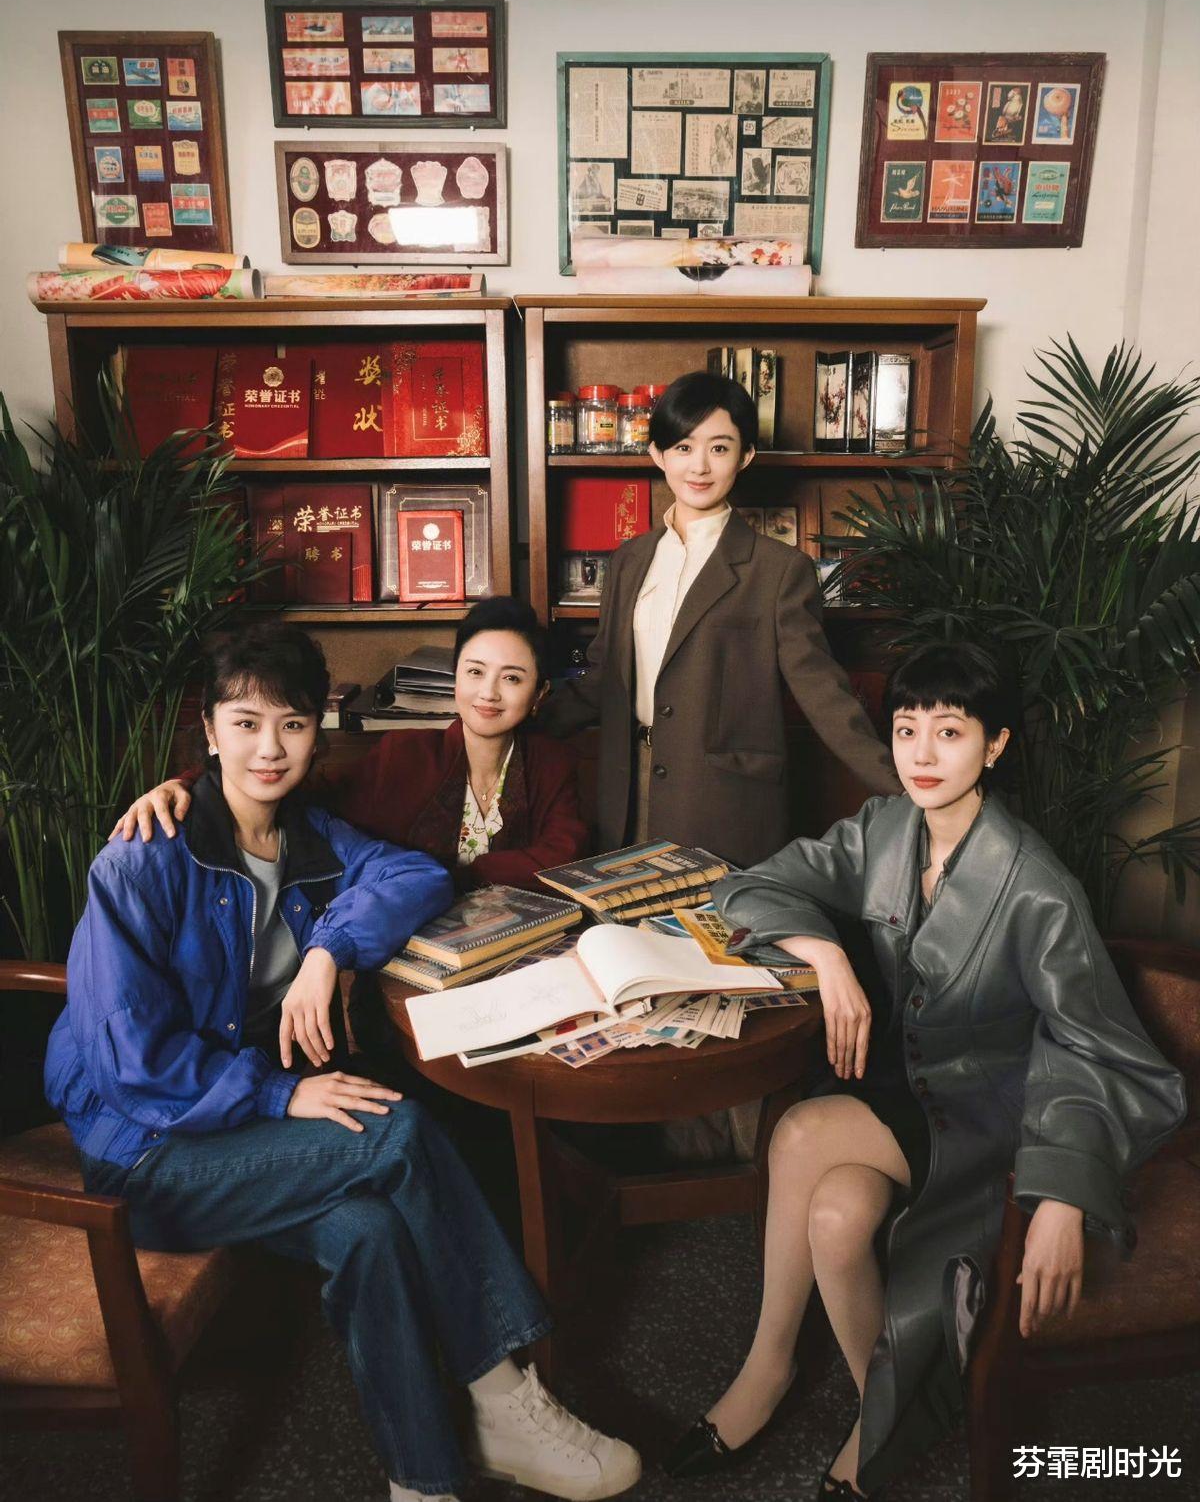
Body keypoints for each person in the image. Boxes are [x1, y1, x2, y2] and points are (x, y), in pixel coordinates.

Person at [46, 622, 640, 1502]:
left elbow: (416, 876)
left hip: (239, 1133)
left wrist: (327, 950)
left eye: (291, 725)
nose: (268, 748)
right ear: (208, 730)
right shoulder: (141, 858)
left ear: (316, 733)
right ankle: (504, 1394)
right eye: (245, 723)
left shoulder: (310, 838)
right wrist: (279, 1093)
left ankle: (424, 1479)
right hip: (148, 1152)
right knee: (395, 1130)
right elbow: (130, 1064)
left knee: (370, 1229)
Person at [661, 640, 1185, 1500]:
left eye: (950, 730)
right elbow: (748, 886)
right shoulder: (883, 829)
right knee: (835, 1216)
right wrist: (827, 954)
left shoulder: (1038, 886)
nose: (923, 753)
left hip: (989, 1117)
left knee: (800, 1131)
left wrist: (1062, 1191)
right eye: (907, 729)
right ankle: (888, 1410)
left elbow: (1096, 1044)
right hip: (904, 1092)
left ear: (996, 745)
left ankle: (767, 1367)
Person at [538, 370, 900, 870]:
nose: (700, 466)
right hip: (625, 790)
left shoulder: (779, 570)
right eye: (683, 447)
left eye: (720, 448)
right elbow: (603, 677)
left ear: (745, 456)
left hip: (723, 803)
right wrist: (512, 725)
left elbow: (822, 691)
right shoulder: (628, 561)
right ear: (657, 454)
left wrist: (905, 787)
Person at [112, 595, 587, 892]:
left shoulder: (551, 762)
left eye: (512, 678)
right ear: (455, 675)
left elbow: (561, 858)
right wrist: (186, 783)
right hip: (406, 947)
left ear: (540, 693)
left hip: (518, 946)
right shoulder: (404, 756)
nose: (488, 693)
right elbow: (293, 790)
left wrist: (443, 874)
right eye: (475, 671)